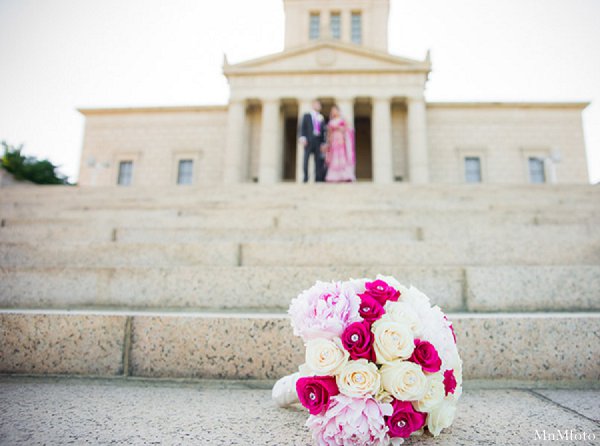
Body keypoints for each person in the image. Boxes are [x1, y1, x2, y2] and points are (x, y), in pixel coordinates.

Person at [323, 105, 356, 182]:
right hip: (334, 141)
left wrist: (342, 129)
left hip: (342, 140)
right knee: (334, 158)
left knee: (342, 158)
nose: (334, 112)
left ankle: (345, 176)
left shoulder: (343, 120)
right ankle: (334, 177)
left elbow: (349, 128)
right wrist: (328, 143)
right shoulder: (331, 121)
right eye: (332, 111)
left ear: (338, 111)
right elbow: (329, 133)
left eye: (335, 110)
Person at [299, 100, 327, 182]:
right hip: (309, 140)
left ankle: (317, 178)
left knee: (318, 160)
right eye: (316, 104)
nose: (318, 106)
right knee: (306, 159)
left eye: (319, 105)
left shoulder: (321, 117)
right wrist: (303, 138)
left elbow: (323, 131)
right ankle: (305, 177)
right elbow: (302, 127)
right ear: (312, 105)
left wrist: (323, 142)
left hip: (318, 140)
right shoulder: (306, 115)